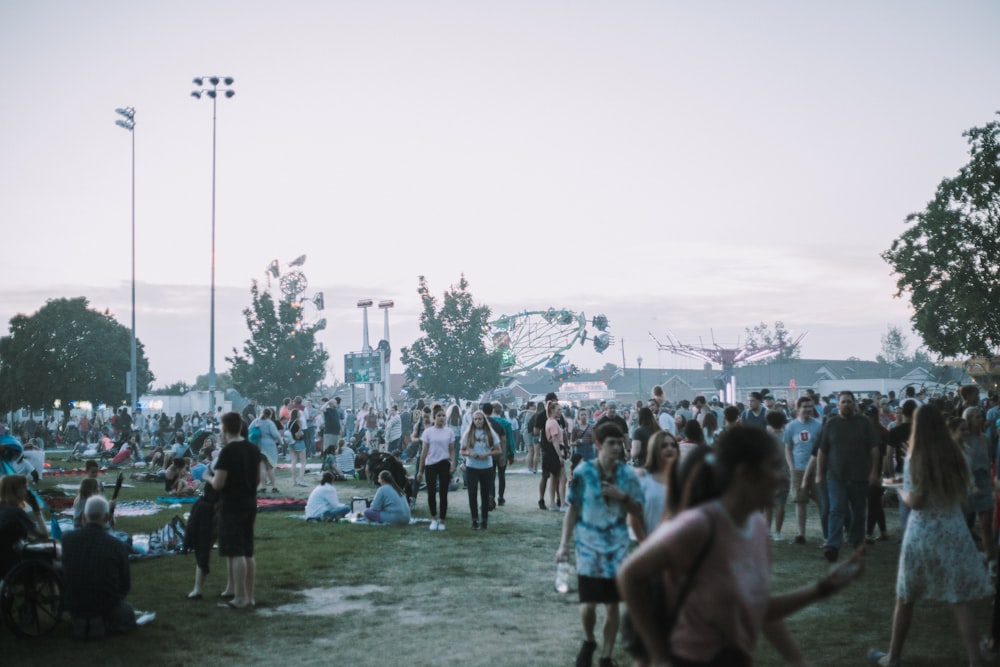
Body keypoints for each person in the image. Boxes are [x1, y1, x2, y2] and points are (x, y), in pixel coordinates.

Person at [618, 428, 866, 667]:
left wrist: (825, 588)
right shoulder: (699, 525)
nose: (781, 477)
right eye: (773, 467)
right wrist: (658, 655)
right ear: (745, 473)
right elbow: (629, 574)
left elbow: (758, 607)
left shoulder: (758, 527)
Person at [867, 404, 992, 667]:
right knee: (959, 599)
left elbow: (917, 501)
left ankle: (893, 657)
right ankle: (974, 659)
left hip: (923, 533)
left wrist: (898, 488)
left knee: (905, 596)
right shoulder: (958, 454)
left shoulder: (917, 457)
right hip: (954, 529)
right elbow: (965, 491)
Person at [556, 423, 643, 667]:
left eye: (619, 443)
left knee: (613, 604)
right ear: (597, 445)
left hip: (617, 548)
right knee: (588, 606)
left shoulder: (627, 475)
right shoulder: (584, 473)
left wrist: (622, 496)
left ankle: (606, 656)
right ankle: (588, 640)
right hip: (588, 548)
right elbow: (572, 508)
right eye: (611, 443)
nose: (617, 447)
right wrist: (563, 544)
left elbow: (639, 509)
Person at [202, 412, 260, 610]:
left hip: (232, 504)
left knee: (235, 552)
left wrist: (206, 477)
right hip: (250, 503)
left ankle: (240, 598)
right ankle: (249, 597)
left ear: (225, 428)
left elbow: (218, 483)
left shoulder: (228, 452)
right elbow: (259, 480)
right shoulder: (252, 449)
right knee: (247, 551)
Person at [816, 390, 880, 562]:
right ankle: (833, 545)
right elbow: (822, 451)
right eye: (843, 402)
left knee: (859, 512)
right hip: (836, 477)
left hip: (860, 476)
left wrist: (874, 472)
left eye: (849, 401)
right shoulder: (830, 424)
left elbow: (875, 449)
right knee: (836, 509)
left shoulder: (864, 423)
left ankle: (856, 541)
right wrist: (819, 473)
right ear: (837, 405)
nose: (846, 404)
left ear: (854, 404)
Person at [62, 495, 136, 638]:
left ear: (83, 517)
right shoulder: (117, 545)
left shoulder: (67, 540)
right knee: (127, 611)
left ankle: (83, 619)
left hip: (75, 602)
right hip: (107, 603)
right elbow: (125, 584)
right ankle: (99, 620)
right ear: (107, 517)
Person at [784, 396, 825, 545]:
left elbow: (822, 448)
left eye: (810, 406)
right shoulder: (791, 427)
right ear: (798, 408)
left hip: (815, 469)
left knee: (822, 502)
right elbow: (788, 447)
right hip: (798, 469)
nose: (808, 409)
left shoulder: (819, 426)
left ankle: (826, 533)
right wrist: (791, 466)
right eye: (805, 406)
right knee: (800, 502)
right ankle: (801, 535)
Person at [628, 430, 678, 543]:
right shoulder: (643, 479)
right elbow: (634, 516)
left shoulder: (683, 478)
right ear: (654, 450)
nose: (670, 449)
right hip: (649, 541)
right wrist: (644, 543)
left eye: (673, 445)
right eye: (664, 446)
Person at [183, 455, 221, 600]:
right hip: (214, 503)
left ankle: (198, 588)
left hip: (215, 504)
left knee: (204, 544)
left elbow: (216, 481)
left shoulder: (227, 455)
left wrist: (207, 476)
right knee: (205, 545)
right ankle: (233, 589)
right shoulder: (240, 453)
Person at [0, 474, 48, 579]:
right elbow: (44, 535)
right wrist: (37, 510)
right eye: (24, 487)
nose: (27, 490)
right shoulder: (16, 512)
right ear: (16, 490)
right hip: (13, 563)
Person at [459, 410, 500, 530]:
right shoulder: (468, 434)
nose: (477, 421)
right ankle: (475, 519)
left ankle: (485, 519)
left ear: (484, 420)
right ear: (472, 420)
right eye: (475, 419)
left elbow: (498, 450)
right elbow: (462, 450)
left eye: (480, 419)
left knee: (485, 494)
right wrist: (469, 454)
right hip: (472, 467)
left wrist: (487, 454)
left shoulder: (490, 433)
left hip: (486, 467)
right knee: (472, 494)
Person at [416, 408, 456, 532]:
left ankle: (442, 520)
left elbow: (452, 450)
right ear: (434, 417)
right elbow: (424, 451)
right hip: (431, 464)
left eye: (444, 416)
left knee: (443, 493)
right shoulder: (428, 432)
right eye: (439, 415)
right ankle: (433, 518)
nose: (441, 418)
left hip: (444, 463)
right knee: (431, 492)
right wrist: (420, 471)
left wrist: (453, 464)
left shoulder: (449, 432)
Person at [252, 408, 281, 494]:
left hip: (258, 446)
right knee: (270, 468)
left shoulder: (256, 421)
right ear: (271, 415)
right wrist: (281, 442)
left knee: (262, 468)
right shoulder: (270, 423)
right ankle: (274, 487)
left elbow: (250, 429)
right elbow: (276, 434)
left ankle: (263, 487)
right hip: (269, 447)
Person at [288, 408, 308, 487]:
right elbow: (298, 435)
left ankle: (294, 481)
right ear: (297, 414)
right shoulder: (298, 422)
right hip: (299, 443)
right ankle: (301, 480)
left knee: (293, 462)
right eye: (299, 413)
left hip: (291, 443)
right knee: (303, 462)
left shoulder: (289, 422)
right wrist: (300, 429)